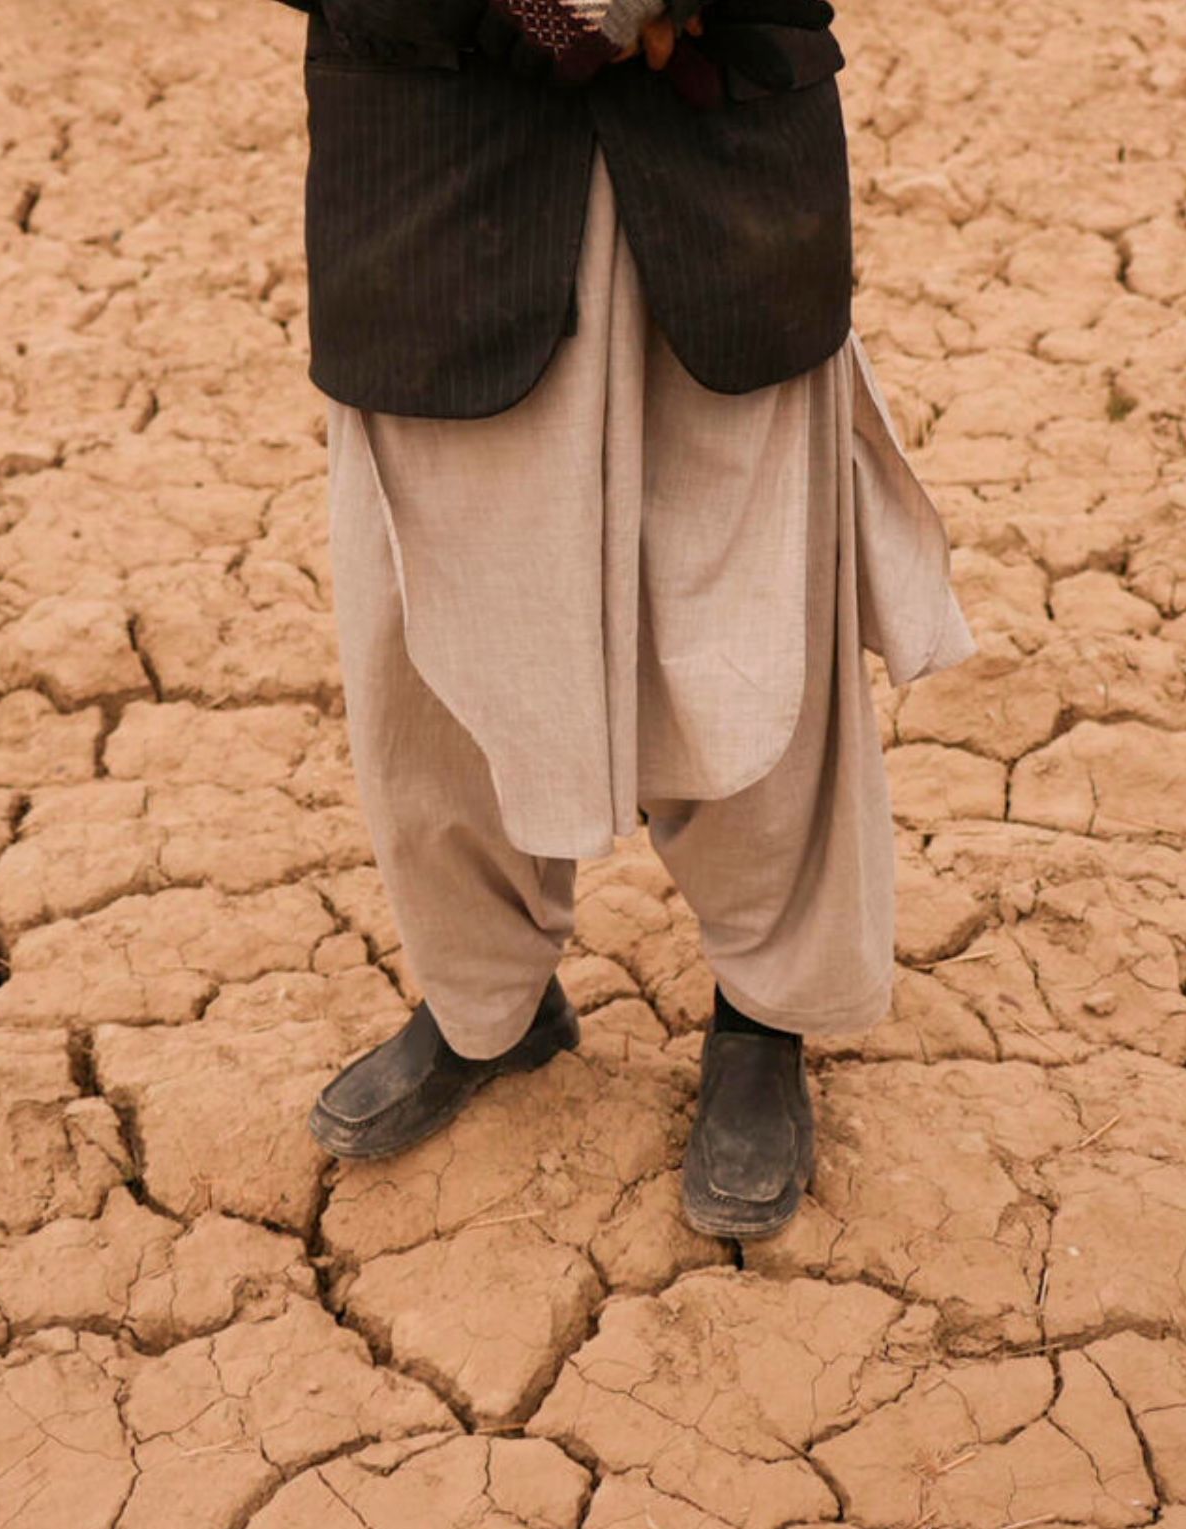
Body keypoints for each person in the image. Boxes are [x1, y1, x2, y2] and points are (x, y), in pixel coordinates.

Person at [266, 0, 978, 1236]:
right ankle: (487, 1003)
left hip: (723, 161)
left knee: (750, 618)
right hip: (433, 161)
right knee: (439, 641)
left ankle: (765, 1019)